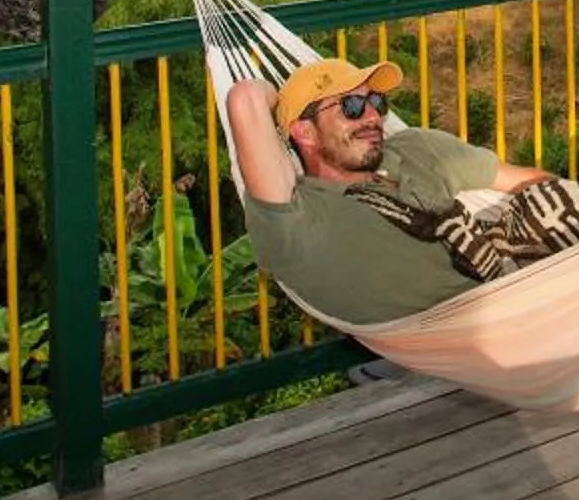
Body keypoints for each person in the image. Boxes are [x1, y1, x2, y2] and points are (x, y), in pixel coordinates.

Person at [226, 57, 556, 328]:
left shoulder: (416, 148)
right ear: (305, 132)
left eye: (376, 101)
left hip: (531, 285)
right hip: (468, 332)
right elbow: (246, 99)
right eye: (351, 106)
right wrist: (281, 99)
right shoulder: (297, 219)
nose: (372, 116)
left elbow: (530, 182)